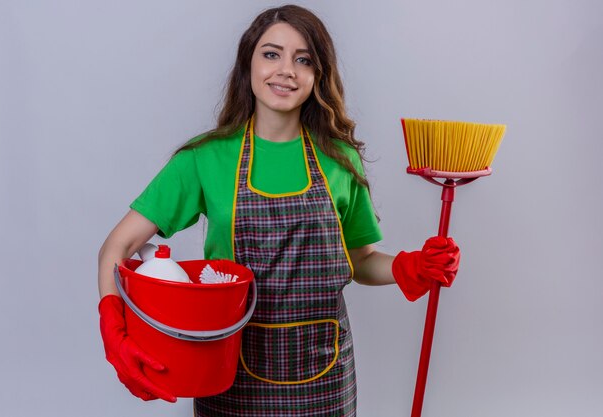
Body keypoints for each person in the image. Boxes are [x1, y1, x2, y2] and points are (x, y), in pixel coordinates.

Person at [97, 4, 460, 416]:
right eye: (271, 54)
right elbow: (118, 246)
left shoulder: (339, 160)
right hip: (229, 374)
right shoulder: (205, 158)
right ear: (247, 63)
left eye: (302, 59)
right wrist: (114, 325)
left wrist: (410, 268)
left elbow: (359, 261)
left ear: (317, 75)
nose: (286, 70)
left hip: (325, 376)